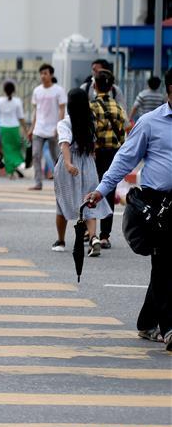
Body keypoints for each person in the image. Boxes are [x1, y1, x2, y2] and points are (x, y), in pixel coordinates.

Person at [86, 70, 172, 349]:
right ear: (170, 91)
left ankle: (148, 322)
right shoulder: (150, 123)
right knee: (164, 263)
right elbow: (125, 159)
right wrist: (101, 190)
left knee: (165, 266)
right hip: (158, 205)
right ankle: (169, 327)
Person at [51, 89, 111, 256]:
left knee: (62, 203)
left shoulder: (65, 123)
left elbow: (64, 144)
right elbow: (93, 147)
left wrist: (69, 164)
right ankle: (93, 237)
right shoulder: (90, 121)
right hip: (88, 164)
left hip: (70, 166)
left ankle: (61, 241)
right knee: (89, 201)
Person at [89, 70, 127, 250]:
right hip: (113, 154)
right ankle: (105, 236)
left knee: (92, 191)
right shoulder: (118, 108)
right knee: (108, 192)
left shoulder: (91, 107)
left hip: (95, 155)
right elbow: (123, 132)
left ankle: (91, 232)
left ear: (94, 86)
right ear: (112, 87)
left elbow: (90, 134)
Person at [28, 64, 67, 191]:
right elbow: (35, 111)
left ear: (51, 75)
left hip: (53, 130)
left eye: (45, 73)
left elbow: (62, 109)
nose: (43, 76)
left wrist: (58, 126)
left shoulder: (58, 90)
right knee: (36, 155)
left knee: (56, 157)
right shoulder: (37, 91)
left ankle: (61, 182)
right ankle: (38, 182)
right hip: (38, 129)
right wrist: (32, 128)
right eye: (41, 73)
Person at [0, 80, 28, 179]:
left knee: (6, 150)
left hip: (3, 128)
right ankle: (16, 164)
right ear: (13, 90)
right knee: (15, 149)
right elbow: (21, 117)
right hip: (14, 128)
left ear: (4, 90)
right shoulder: (18, 101)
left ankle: (10, 172)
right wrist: (26, 130)